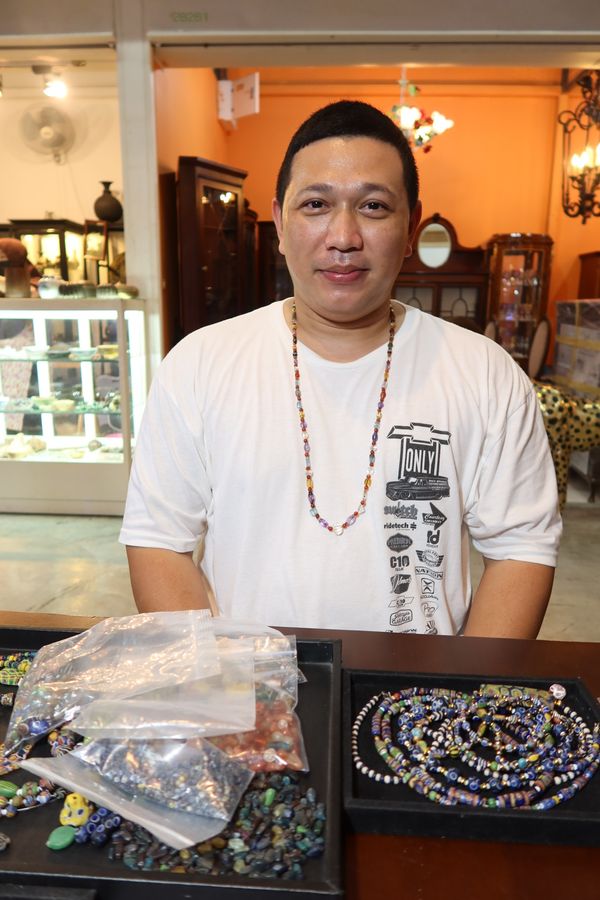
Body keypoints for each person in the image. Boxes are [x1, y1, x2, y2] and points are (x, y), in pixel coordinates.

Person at [120, 100, 561, 638]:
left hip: (420, 682)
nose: (344, 237)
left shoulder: (486, 374)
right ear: (280, 223)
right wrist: (219, 678)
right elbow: (159, 541)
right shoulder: (199, 364)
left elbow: (520, 548)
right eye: (316, 204)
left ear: (410, 227)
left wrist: (456, 684)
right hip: (244, 677)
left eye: (373, 206)